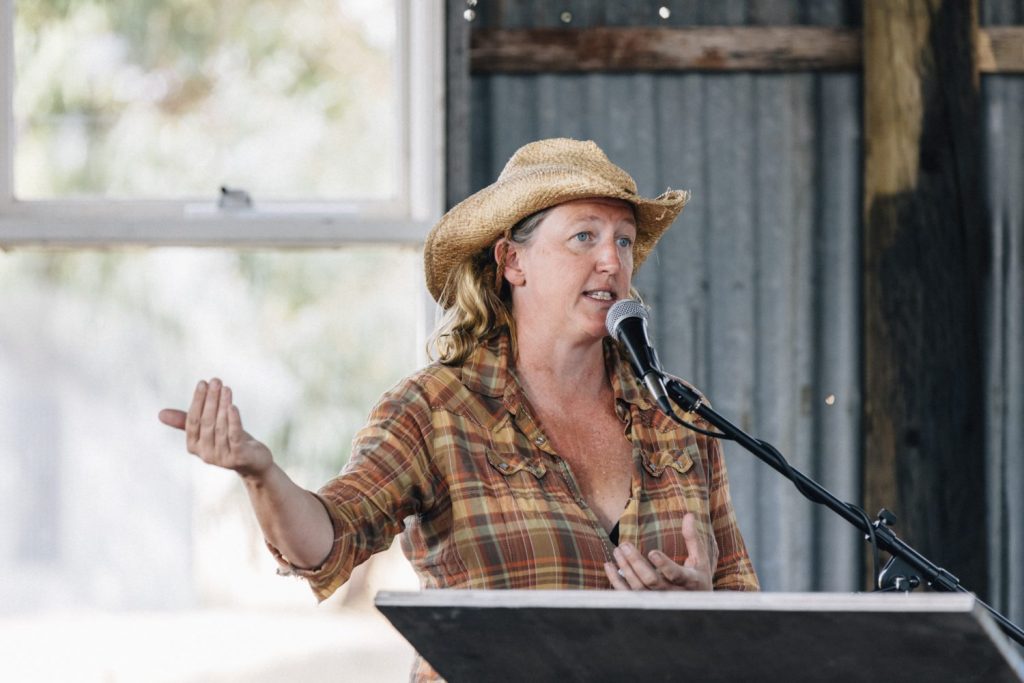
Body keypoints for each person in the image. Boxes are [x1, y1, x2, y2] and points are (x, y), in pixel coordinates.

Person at [159, 138, 758, 680]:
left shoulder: (676, 412)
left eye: (624, 241)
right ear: (512, 262)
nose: (612, 261)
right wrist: (260, 474)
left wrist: (698, 610)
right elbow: (328, 541)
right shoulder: (436, 409)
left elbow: (745, 609)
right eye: (585, 237)